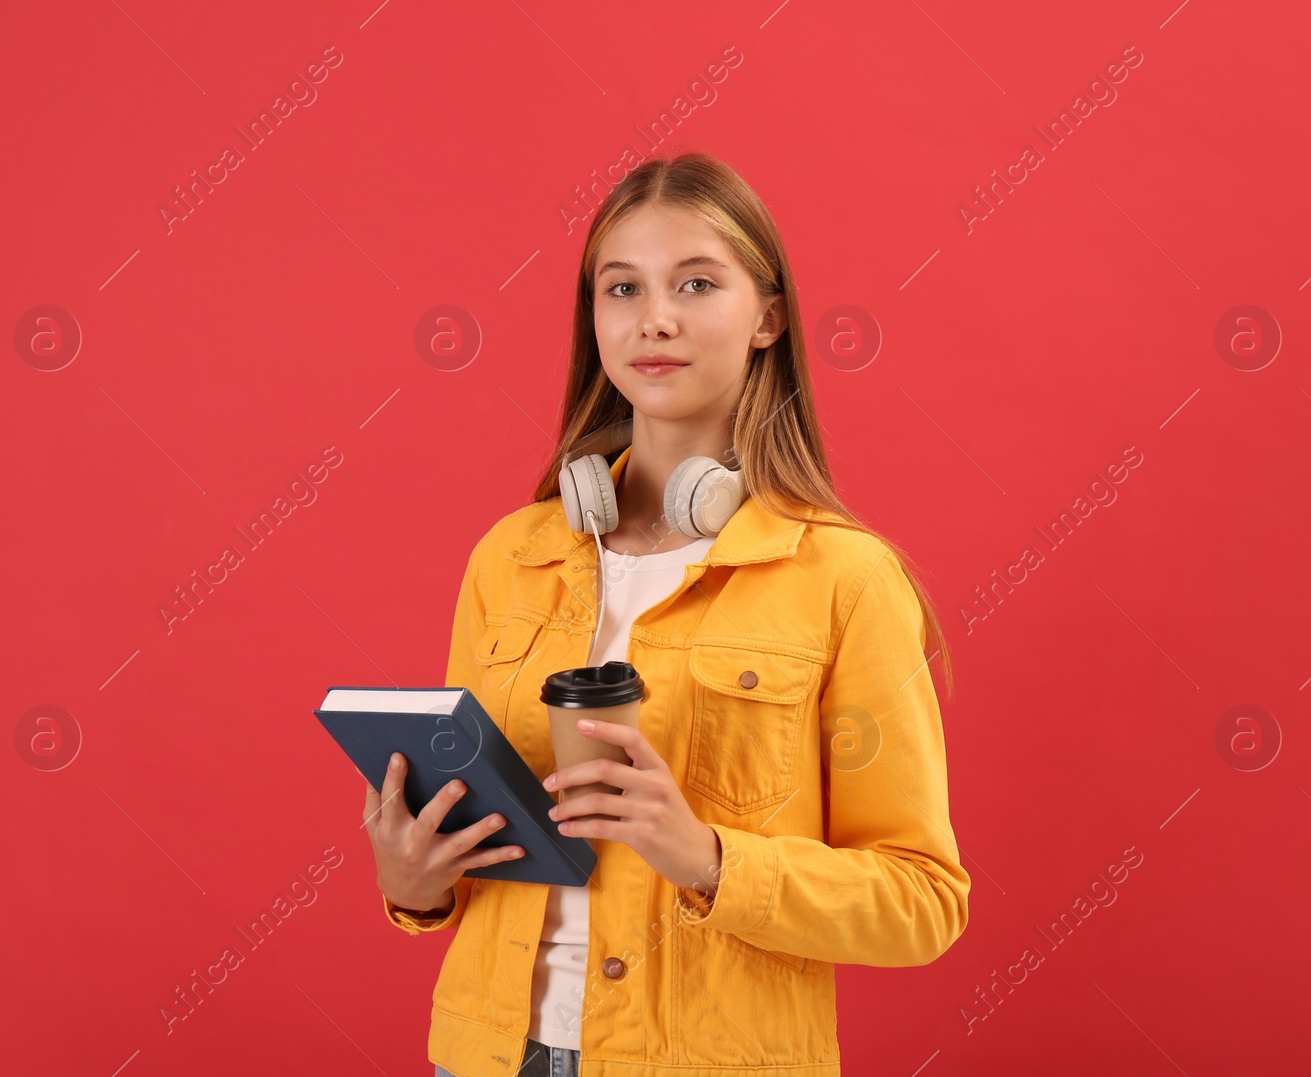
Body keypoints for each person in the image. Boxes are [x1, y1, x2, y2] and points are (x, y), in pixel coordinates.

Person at [362, 151, 970, 1077]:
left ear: (768, 317)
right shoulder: (511, 557)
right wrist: (414, 883)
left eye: (696, 282)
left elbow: (922, 901)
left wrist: (711, 857)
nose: (655, 317)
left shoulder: (844, 577)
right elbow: (471, 837)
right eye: (622, 288)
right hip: (486, 1057)